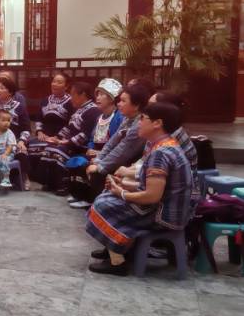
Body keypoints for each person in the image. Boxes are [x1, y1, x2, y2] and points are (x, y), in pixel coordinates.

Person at [86, 102, 194, 276]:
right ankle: (115, 248)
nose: (139, 123)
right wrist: (121, 185)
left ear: (157, 123)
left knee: (103, 205)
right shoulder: (163, 145)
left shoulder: (161, 153)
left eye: (143, 119)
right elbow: (151, 186)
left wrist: (121, 192)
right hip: (164, 207)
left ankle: (118, 262)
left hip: (164, 216)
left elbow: (152, 196)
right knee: (107, 195)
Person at [66, 79, 125, 209]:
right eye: (97, 94)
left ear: (111, 98)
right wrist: (90, 148)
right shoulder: (100, 117)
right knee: (76, 160)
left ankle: (90, 199)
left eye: (102, 94)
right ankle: (79, 194)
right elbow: (92, 138)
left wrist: (99, 154)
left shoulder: (118, 118)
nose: (97, 97)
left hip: (109, 155)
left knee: (86, 164)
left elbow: (118, 143)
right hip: (96, 152)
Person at [84, 83, 151, 193]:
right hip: (114, 157)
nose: (119, 104)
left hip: (129, 162)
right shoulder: (127, 118)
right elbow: (112, 142)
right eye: (119, 100)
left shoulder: (138, 124)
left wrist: (100, 167)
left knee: (97, 173)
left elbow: (122, 150)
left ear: (136, 106)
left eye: (123, 101)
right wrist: (98, 160)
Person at [37, 81, 102, 193]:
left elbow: (84, 135)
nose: (71, 98)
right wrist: (56, 137)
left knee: (56, 151)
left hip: (81, 147)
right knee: (48, 147)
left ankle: (64, 184)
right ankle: (51, 183)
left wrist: (65, 142)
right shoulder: (80, 109)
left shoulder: (93, 110)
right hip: (70, 144)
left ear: (83, 95)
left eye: (73, 95)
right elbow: (69, 128)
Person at [0, 77, 31, 184]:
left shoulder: (19, 107)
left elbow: (26, 128)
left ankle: (24, 178)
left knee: (22, 152)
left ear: (10, 92)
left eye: (2, 88)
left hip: (14, 141)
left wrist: (22, 141)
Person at [28, 73, 72, 182]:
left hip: (60, 138)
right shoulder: (45, 100)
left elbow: (71, 123)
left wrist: (57, 137)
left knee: (50, 149)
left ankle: (50, 181)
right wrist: (39, 132)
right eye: (54, 81)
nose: (55, 84)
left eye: (59, 82)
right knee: (29, 145)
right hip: (44, 136)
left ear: (66, 86)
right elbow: (38, 118)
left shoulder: (70, 102)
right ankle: (33, 177)